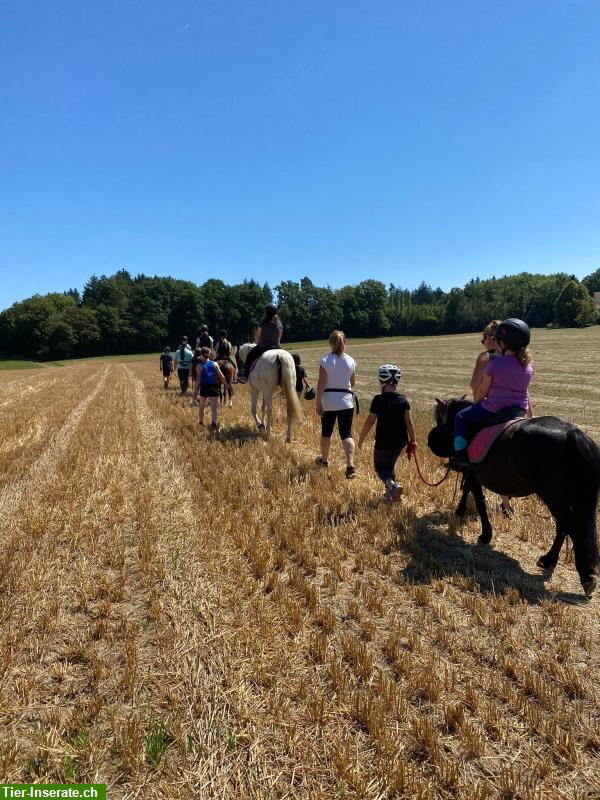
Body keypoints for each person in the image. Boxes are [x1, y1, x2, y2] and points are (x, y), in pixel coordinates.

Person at [451, 318, 533, 468]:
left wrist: (477, 403)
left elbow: (482, 391)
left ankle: (460, 457)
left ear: (501, 343)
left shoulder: (495, 365)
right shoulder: (527, 366)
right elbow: (525, 391)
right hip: (519, 410)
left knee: (460, 417)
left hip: (493, 408)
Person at [469, 320, 514, 516]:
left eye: (483, 338)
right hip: (514, 409)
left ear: (489, 338)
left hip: (491, 408)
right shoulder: (514, 357)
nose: (483, 342)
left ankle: (463, 462)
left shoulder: (485, 357)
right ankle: (506, 503)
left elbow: (474, 385)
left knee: (463, 426)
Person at [357, 364, 417, 501]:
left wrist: (361, 438)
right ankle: (391, 495)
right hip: (399, 442)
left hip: (383, 441)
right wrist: (413, 440)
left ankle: (393, 486)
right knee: (389, 467)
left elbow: (369, 422)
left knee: (380, 467)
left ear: (380, 381)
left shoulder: (378, 400)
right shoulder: (403, 399)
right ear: (396, 382)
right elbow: (409, 422)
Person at [315, 330, 357, 479]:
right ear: (344, 343)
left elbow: (321, 383)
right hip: (346, 401)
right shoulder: (351, 361)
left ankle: (324, 461)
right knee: (346, 434)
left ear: (330, 343)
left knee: (326, 432)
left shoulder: (325, 360)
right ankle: (350, 466)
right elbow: (352, 383)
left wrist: (318, 402)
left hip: (329, 402)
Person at [242, 303, 283, 379]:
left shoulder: (263, 322)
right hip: (277, 346)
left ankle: (245, 376)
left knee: (249, 356)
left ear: (266, 312)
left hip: (264, 346)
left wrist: (258, 343)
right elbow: (279, 337)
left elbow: (258, 336)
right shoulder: (279, 323)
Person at [192, 347, 225, 430]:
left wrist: (195, 392)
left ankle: (201, 422)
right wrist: (227, 384)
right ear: (209, 354)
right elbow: (221, 376)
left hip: (204, 388)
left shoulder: (199, 366)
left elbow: (198, 380)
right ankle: (214, 424)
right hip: (214, 387)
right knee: (214, 408)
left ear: (201, 355)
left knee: (201, 407)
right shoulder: (215, 364)